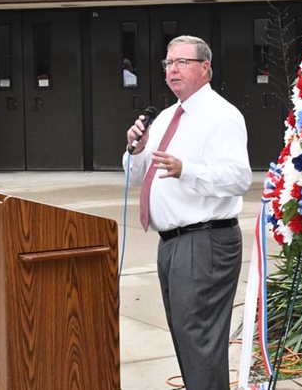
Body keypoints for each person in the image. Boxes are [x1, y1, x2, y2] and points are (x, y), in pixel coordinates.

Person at [122, 35, 252, 389]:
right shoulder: (164, 118)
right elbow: (135, 179)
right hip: (172, 244)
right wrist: (136, 150)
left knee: (200, 340)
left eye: (182, 62)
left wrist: (187, 170)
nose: (173, 70)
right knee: (188, 340)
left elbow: (239, 178)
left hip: (206, 240)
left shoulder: (222, 116)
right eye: (168, 63)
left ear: (205, 68)